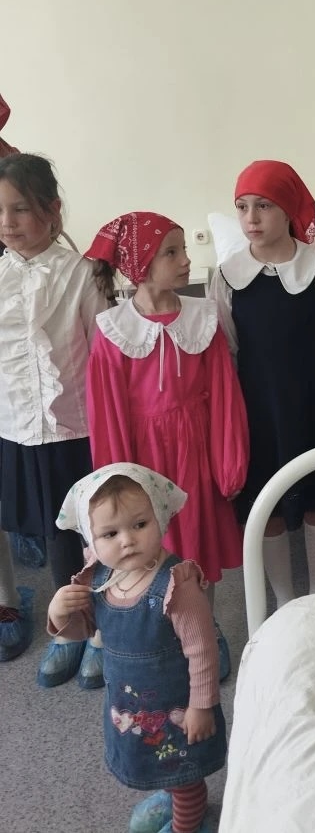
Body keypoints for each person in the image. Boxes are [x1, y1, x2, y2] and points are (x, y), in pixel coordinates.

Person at [85, 212, 249, 678]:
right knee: (149, 552)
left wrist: (228, 460)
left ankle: (204, 628)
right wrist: (118, 483)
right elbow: (108, 413)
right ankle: (159, 636)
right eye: (171, 252)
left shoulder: (203, 318)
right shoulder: (114, 330)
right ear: (140, 264)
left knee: (198, 551)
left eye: (184, 250)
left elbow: (224, 393)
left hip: (195, 455)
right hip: (143, 460)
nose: (185, 261)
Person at [208, 160, 315, 608]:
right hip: (255, 409)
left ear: (288, 209)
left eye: (264, 206)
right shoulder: (228, 275)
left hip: (311, 405)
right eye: (242, 207)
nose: (251, 218)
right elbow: (227, 351)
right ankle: (284, 599)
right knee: (266, 505)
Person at [50, 463, 225, 833]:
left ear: (160, 517)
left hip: (178, 709)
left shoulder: (177, 585)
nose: (127, 540)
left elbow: (203, 650)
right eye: (110, 533)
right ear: (91, 539)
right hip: (130, 708)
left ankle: (186, 824)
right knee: (158, 761)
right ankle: (169, 795)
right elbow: (84, 629)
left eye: (140, 524)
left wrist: (201, 706)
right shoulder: (99, 578)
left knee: (183, 770)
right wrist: (58, 612)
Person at [0, 153, 110, 683]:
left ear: (52, 209)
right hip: (18, 428)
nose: (7, 222)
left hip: (76, 427)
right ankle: (70, 629)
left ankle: (102, 632)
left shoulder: (81, 274)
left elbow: (103, 356)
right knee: (50, 534)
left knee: (90, 533)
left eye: (19, 209)